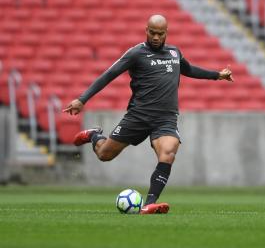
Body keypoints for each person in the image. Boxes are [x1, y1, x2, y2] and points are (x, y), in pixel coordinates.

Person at [63, 14, 233, 215]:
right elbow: (109, 74)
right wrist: (82, 99)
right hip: (138, 116)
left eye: (160, 34)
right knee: (104, 154)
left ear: (166, 33)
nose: (155, 37)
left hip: (165, 119)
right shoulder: (136, 53)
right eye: (152, 32)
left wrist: (217, 75)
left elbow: (188, 70)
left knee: (168, 153)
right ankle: (94, 136)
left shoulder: (174, 52)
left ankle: (149, 203)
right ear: (146, 30)